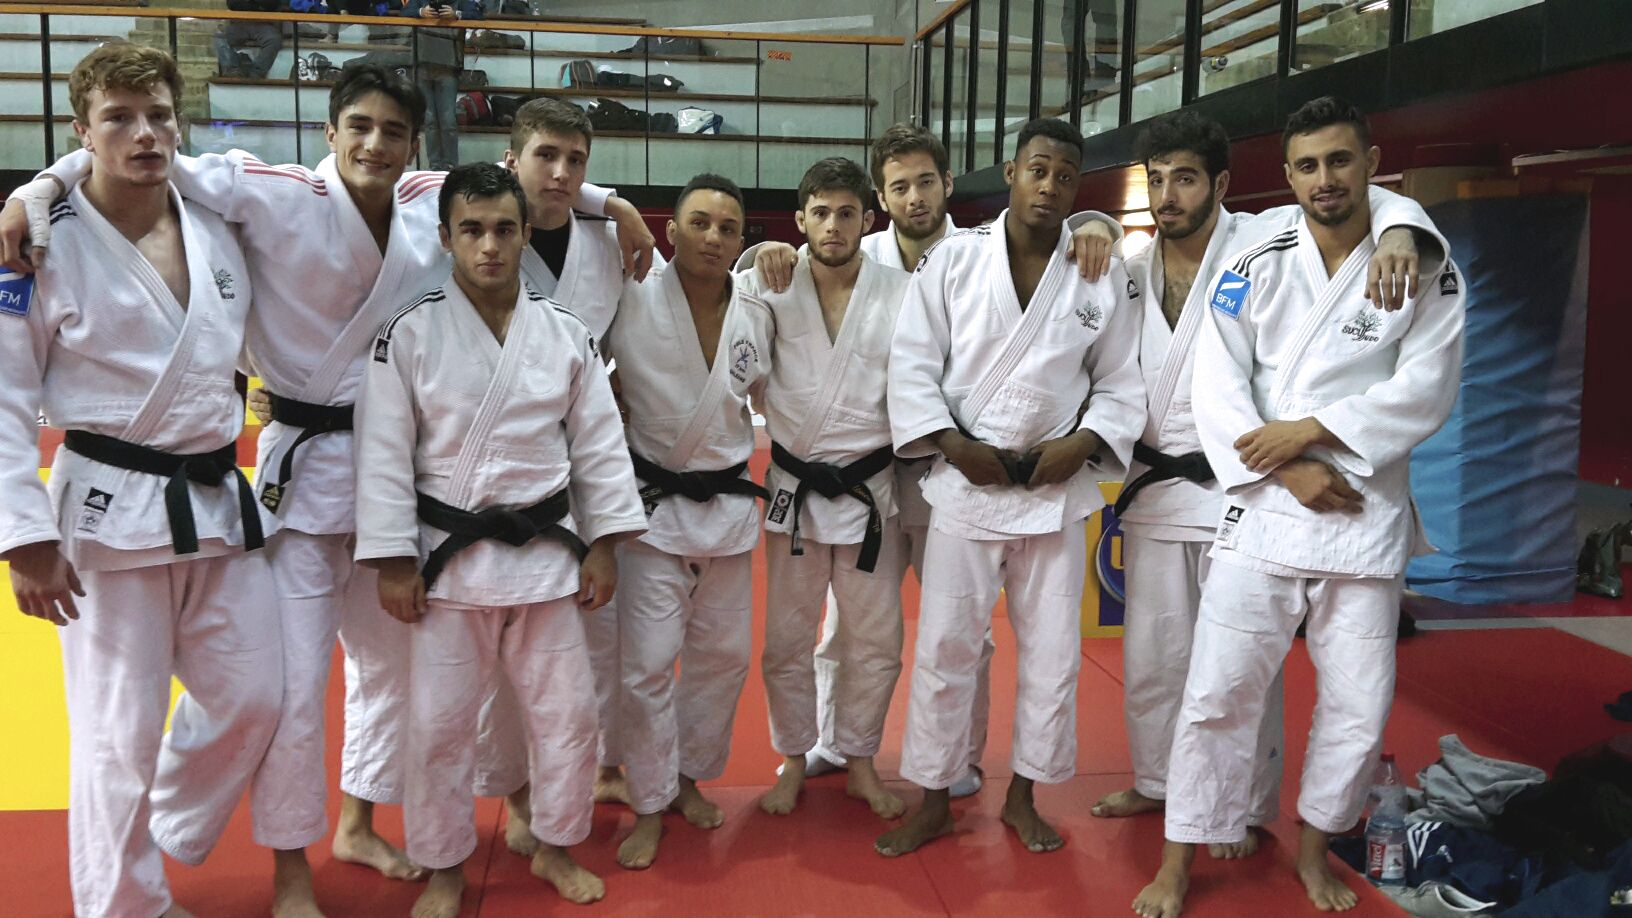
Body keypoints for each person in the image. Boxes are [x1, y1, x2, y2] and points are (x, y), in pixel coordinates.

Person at [0, 64, 656, 918]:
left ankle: (357, 825)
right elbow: (140, 155)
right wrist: (38, 188)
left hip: (398, 483)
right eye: (360, 127)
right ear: (329, 131)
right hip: (297, 479)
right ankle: (290, 873)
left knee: (394, 680)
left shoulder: (425, 201)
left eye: (394, 132)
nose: (376, 145)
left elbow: (526, 182)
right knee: (292, 692)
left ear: (414, 145)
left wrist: (614, 203)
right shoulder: (271, 193)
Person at [1132, 96, 1466, 918]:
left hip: (1362, 511)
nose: (1325, 179)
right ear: (1286, 176)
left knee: (1358, 705)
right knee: (1217, 692)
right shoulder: (1256, 257)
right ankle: (1178, 859)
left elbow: (1428, 387)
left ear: (1372, 164)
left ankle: (1314, 852)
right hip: (1267, 510)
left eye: (1341, 161)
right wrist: (1286, 469)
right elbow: (1218, 379)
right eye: (1308, 165)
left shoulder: (1421, 262)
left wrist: (1311, 434)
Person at [750, 123, 1120, 798]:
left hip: (958, 474)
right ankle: (833, 742)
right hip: (881, 474)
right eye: (899, 186)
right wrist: (770, 247)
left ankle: (961, 761)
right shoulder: (857, 248)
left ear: (948, 183)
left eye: (926, 181)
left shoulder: (975, 251)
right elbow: (794, 262)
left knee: (963, 630)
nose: (914, 197)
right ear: (880, 199)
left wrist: (1098, 224)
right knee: (847, 623)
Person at [0, 42, 282, 918]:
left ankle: (157, 824)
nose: (144, 134)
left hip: (216, 504)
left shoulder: (215, 218)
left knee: (255, 696)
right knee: (116, 737)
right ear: (82, 134)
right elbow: (4, 398)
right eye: (118, 119)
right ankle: (122, 904)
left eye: (158, 115)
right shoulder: (36, 244)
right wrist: (24, 537)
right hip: (103, 512)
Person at [354, 162, 645, 917]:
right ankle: (444, 864)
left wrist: (605, 543)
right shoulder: (408, 333)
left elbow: (599, 446)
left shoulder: (566, 333)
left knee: (569, 717)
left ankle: (554, 843)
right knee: (440, 726)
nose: (489, 245)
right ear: (445, 236)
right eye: (473, 230)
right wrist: (393, 560)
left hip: (548, 559)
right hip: (448, 567)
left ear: (524, 236)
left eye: (504, 230)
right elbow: (383, 454)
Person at [879, 118, 1145, 857]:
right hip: (968, 487)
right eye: (1038, 169)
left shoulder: (1100, 274)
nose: (1050, 185)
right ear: (1010, 171)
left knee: (1054, 656)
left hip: (1055, 492)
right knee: (945, 648)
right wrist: (954, 445)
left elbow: (1120, 379)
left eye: (1065, 175)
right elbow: (912, 363)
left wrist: (1083, 444)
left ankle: (1024, 796)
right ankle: (935, 798)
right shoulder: (954, 260)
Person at [470, 96, 668, 850]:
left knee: (598, 630)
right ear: (511, 158)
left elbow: (645, 327)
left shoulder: (606, 241)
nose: (559, 173)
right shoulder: (478, 227)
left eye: (576, 160)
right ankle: (517, 790)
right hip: (493, 464)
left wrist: (613, 208)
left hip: (586, 455)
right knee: (501, 642)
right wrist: (615, 198)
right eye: (544, 156)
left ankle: (603, 765)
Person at [731, 157, 912, 819]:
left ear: (868, 221)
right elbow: (740, 365)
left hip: (872, 491)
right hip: (796, 490)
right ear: (800, 219)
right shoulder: (769, 282)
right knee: (787, 637)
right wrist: (752, 262)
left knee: (877, 640)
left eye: (846, 213)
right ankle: (794, 758)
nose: (833, 225)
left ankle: (859, 759)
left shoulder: (903, 290)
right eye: (820, 213)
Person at [600, 173, 764, 870]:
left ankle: (688, 780)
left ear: (742, 239)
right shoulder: (630, 292)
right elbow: (581, 366)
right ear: (670, 231)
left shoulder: (757, 307)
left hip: (727, 509)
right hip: (651, 512)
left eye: (728, 228)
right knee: (644, 666)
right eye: (699, 223)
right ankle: (648, 801)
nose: (713, 238)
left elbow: (776, 390)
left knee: (723, 660)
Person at [403, 0, 485, 171]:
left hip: (448, 67)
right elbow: (404, 12)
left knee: (448, 120)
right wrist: (421, 12)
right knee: (430, 120)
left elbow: (478, 17)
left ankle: (450, 166)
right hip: (422, 64)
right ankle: (434, 165)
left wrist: (457, 14)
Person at [216, 1, 283, 79]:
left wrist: (249, 3)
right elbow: (232, 4)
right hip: (240, 23)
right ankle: (232, 70)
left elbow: (273, 5)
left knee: (273, 39)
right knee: (220, 36)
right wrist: (257, 6)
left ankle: (257, 73)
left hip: (264, 23)